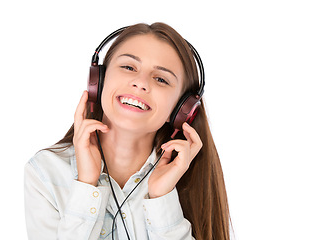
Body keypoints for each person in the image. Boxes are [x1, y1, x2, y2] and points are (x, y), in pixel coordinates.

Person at [24, 22, 231, 240]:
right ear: (99, 81)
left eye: (161, 79)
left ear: (182, 109)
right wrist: (86, 185)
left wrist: (162, 199)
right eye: (129, 67)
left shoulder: (188, 178)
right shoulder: (45, 172)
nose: (140, 83)